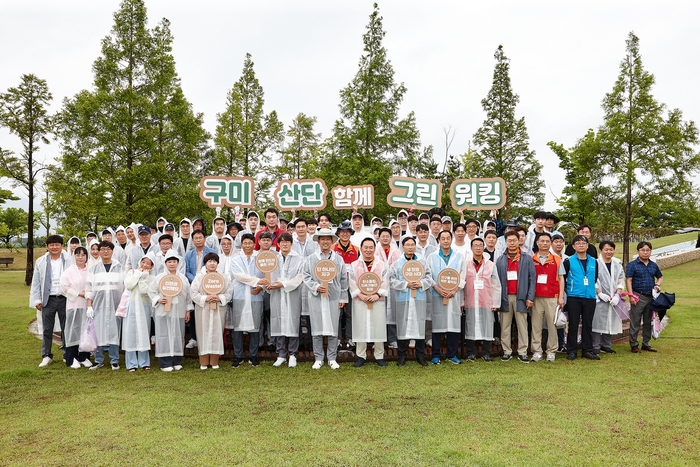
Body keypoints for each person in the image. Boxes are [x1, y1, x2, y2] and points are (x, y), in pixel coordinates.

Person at [302, 227, 348, 370]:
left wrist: (342, 298)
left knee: (334, 328)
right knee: (317, 328)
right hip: (316, 298)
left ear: (332, 241)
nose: (325, 242)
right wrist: (316, 286)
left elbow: (343, 280)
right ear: (319, 241)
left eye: (328, 239)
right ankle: (318, 358)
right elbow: (306, 276)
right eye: (323, 239)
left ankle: (332, 358)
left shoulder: (338, 259)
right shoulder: (311, 259)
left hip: (333, 297)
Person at [391, 237, 433, 366]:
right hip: (403, 299)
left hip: (419, 298)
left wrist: (420, 283)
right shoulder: (397, 263)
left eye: (412, 245)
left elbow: (429, 278)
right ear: (402, 247)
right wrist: (406, 284)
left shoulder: (422, 262)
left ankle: (420, 355)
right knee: (402, 326)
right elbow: (392, 280)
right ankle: (402, 355)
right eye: (407, 245)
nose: (410, 247)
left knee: (419, 325)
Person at [148, 250, 192, 371]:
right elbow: (151, 292)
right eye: (169, 261)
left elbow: (188, 296)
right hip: (163, 311)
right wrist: (158, 299)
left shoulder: (183, 279)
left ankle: (177, 361)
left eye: (174, 261)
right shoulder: (159, 278)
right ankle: (165, 362)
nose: (172, 264)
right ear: (165, 263)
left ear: (178, 263)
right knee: (164, 336)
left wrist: (188, 310)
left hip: (179, 311)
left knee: (178, 335)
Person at [496, 230, 536, 363]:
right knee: (505, 326)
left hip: (521, 297)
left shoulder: (526, 258)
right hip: (505, 297)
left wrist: (530, 297)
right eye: (509, 240)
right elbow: (495, 281)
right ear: (505, 242)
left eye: (514, 240)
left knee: (522, 325)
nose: (512, 243)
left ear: (519, 241)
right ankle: (506, 351)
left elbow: (532, 278)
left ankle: (522, 351)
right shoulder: (501, 259)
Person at [427, 230, 466, 365]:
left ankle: (452, 354)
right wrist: (437, 288)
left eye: (447, 238)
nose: (445, 241)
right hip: (437, 295)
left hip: (453, 296)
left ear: (451, 239)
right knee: (437, 325)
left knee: (453, 325)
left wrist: (455, 289)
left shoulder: (459, 257)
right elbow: (428, 275)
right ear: (439, 241)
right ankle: (436, 355)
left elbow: (463, 275)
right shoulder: (432, 257)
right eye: (442, 238)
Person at [265, 233, 304, 368]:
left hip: (291, 295)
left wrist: (284, 284)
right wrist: (269, 284)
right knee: (278, 323)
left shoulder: (299, 259)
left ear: (291, 244)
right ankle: (281, 354)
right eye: (282, 242)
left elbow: (300, 277)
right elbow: (267, 273)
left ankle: (292, 354)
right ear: (278, 244)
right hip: (276, 295)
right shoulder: (274, 259)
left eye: (287, 242)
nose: (285, 244)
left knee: (293, 323)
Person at [349, 237, 389, 367]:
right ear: (361, 249)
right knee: (360, 326)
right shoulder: (354, 265)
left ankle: (379, 355)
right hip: (360, 301)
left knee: (378, 326)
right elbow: (351, 282)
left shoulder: (382, 265)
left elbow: (386, 281)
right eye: (365, 247)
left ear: (374, 249)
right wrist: (360, 294)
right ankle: (361, 355)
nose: (368, 250)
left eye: (371, 247)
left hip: (377, 300)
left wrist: (377, 294)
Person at [86, 241, 126, 370]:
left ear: (112, 251)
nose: (105, 251)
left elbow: (125, 287)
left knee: (114, 332)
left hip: (115, 305)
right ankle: (99, 360)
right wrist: (89, 306)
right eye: (102, 249)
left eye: (108, 249)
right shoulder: (94, 269)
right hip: (99, 306)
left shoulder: (119, 267)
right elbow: (89, 289)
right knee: (98, 332)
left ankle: (114, 360)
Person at [30, 234, 69, 367]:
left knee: (66, 328)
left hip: (65, 298)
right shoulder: (41, 261)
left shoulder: (69, 259)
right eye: (51, 245)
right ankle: (46, 355)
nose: (54, 247)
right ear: (47, 247)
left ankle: (67, 353)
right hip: (48, 299)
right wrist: (36, 299)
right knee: (47, 329)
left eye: (57, 244)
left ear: (62, 246)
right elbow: (36, 282)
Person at [559, 234, 599, 360]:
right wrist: (570, 290)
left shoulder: (594, 262)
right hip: (574, 297)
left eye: (583, 243)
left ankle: (588, 350)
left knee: (588, 324)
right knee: (573, 324)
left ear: (588, 246)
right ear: (573, 246)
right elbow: (563, 280)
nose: (581, 245)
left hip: (590, 297)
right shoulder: (568, 261)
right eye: (578, 243)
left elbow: (595, 278)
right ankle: (571, 350)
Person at [191, 252, 233, 370]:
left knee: (217, 332)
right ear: (205, 263)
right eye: (210, 261)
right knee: (202, 332)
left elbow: (229, 291)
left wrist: (219, 298)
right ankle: (203, 362)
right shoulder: (199, 277)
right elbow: (193, 292)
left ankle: (214, 361)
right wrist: (205, 298)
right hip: (203, 309)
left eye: (214, 261)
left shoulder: (223, 277)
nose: (212, 263)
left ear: (218, 263)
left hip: (218, 308)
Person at [230, 233, 266, 368]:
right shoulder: (236, 259)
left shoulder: (260, 258)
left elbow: (266, 275)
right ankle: (238, 356)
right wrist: (257, 281)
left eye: (250, 243)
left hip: (255, 296)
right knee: (238, 327)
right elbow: (239, 276)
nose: (247, 245)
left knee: (255, 326)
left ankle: (253, 355)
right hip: (240, 295)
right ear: (241, 244)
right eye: (244, 243)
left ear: (254, 243)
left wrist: (261, 287)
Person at [464, 237, 501, 362]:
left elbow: (496, 284)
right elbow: (461, 284)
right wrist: (461, 302)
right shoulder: (465, 264)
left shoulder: (490, 265)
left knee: (487, 326)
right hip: (470, 300)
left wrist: (496, 302)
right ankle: (471, 353)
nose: (478, 247)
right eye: (475, 245)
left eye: (480, 245)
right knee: (470, 325)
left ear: (483, 247)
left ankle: (486, 353)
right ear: (471, 248)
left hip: (486, 300)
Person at [625, 241, 663, 353]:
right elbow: (628, 280)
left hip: (650, 297)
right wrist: (631, 295)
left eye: (648, 250)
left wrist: (657, 284)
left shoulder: (653, 265)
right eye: (643, 250)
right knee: (635, 321)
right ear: (638, 251)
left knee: (648, 321)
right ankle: (634, 344)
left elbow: (660, 277)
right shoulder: (632, 265)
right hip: (637, 296)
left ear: (650, 251)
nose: (645, 252)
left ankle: (646, 343)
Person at [530, 233, 562, 362]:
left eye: (547, 241)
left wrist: (560, 297)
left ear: (550, 243)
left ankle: (551, 351)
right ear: (537, 243)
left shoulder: (557, 259)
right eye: (542, 241)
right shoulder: (531, 259)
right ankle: (537, 351)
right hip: (536, 297)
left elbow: (561, 278)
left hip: (552, 296)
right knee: (536, 325)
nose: (544, 243)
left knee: (552, 325)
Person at [122, 252, 156, 371]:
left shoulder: (152, 278)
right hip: (130, 306)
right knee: (130, 333)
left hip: (144, 307)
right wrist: (138, 274)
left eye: (148, 263)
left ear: (152, 266)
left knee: (143, 333)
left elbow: (144, 291)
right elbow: (129, 285)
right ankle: (131, 363)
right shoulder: (131, 273)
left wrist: (143, 279)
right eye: (143, 262)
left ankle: (144, 362)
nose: (145, 265)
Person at [59, 245, 92, 368]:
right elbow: (63, 288)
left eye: (83, 255)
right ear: (74, 256)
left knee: (86, 330)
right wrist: (79, 293)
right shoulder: (69, 271)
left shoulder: (91, 270)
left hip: (87, 305)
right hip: (74, 304)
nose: (80, 257)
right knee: (73, 330)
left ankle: (84, 356)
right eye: (78, 255)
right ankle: (71, 358)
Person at [184, 229, 216, 349]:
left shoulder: (211, 252)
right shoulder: (189, 254)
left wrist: (204, 279)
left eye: (200, 237)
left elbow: (214, 266)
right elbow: (186, 271)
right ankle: (193, 337)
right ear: (192, 240)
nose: (198, 240)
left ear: (204, 239)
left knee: (208, 313)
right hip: (194, 286)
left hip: (209, 285)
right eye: (196, 238)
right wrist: (196, 279)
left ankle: (208, 338)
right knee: (193, 313)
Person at [592, 241, 625, 355]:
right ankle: (595, 346)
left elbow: (621, 280)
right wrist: (600, 293)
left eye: (611, 249)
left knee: (611, 320)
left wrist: (617, 294)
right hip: (599, 298)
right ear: (601, 250)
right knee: (596, 321)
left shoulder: (617, 265)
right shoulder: (595, 263)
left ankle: (607, 345)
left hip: (613, 298)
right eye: (606, 249)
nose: (609, 252)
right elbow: (593, 280)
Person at [291, 218, 318, 350]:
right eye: (298, 227)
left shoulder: (314, 242)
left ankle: (312, 341)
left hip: (310, 280)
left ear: (307, 227)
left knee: (311, 311)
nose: (301, 229)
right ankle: (300, 341)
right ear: (295, 229)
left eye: (303, 226)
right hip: (296, 281)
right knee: (297, 311)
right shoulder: (291, 242)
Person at [333, 220, 359, 349]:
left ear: (351, 233)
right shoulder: (332, 249)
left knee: (350, 313)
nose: (344, 234)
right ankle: (336, 339)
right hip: (336, 285)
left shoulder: (356, 250)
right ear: (338, 233)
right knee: (337, 313)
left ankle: (350, 339)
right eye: (342, 232)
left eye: (347, 232)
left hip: (352, 286)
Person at [374, 227, 401, 348]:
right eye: (383, 236)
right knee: (379, 312)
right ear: (378, 237)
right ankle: (379, 339)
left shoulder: (396, 252)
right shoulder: (374, 250)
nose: (385, 238)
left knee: (393, 312)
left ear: (391, 238)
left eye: (387, 236)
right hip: (378, 286)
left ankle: (392, 339)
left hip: (393, 286)